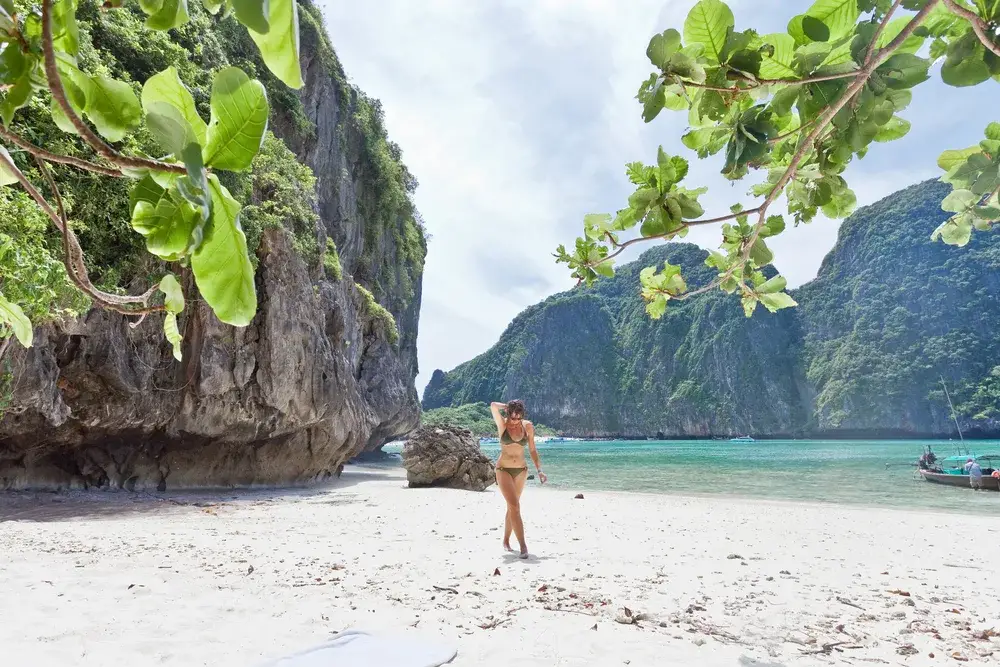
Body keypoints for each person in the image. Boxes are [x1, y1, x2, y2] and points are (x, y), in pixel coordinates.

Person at [490, 399, 547, 559]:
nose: (515, 421)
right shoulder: (502, 424)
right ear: (508, 414)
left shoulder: (527, 426)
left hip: (521, 470)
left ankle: (506, 540)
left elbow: (533, 450)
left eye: (518, 418)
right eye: (513, 417)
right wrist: (507, 407)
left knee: (511, 506)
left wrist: (540, 470)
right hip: (503, 469)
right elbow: (493, 405)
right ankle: (523, 545)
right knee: (515, 506)